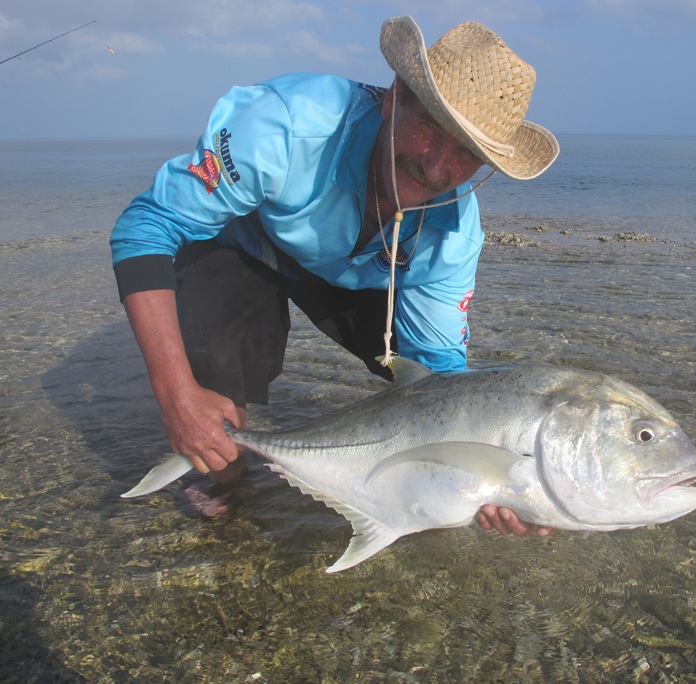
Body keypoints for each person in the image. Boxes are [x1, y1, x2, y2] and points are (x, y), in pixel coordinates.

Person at [110, 16, 559, 536]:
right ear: (394, 97)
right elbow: (146, 227)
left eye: (466, 153)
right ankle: (226, 484)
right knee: (212, 374)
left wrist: (491, 480)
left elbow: (439, 376)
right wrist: (176, 392)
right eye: (429, 129)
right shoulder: (285, 124)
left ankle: (365, 485)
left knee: (433, 399)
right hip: (249, 245)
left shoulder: (454, 234)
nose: (436, 167)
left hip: (361, 275)